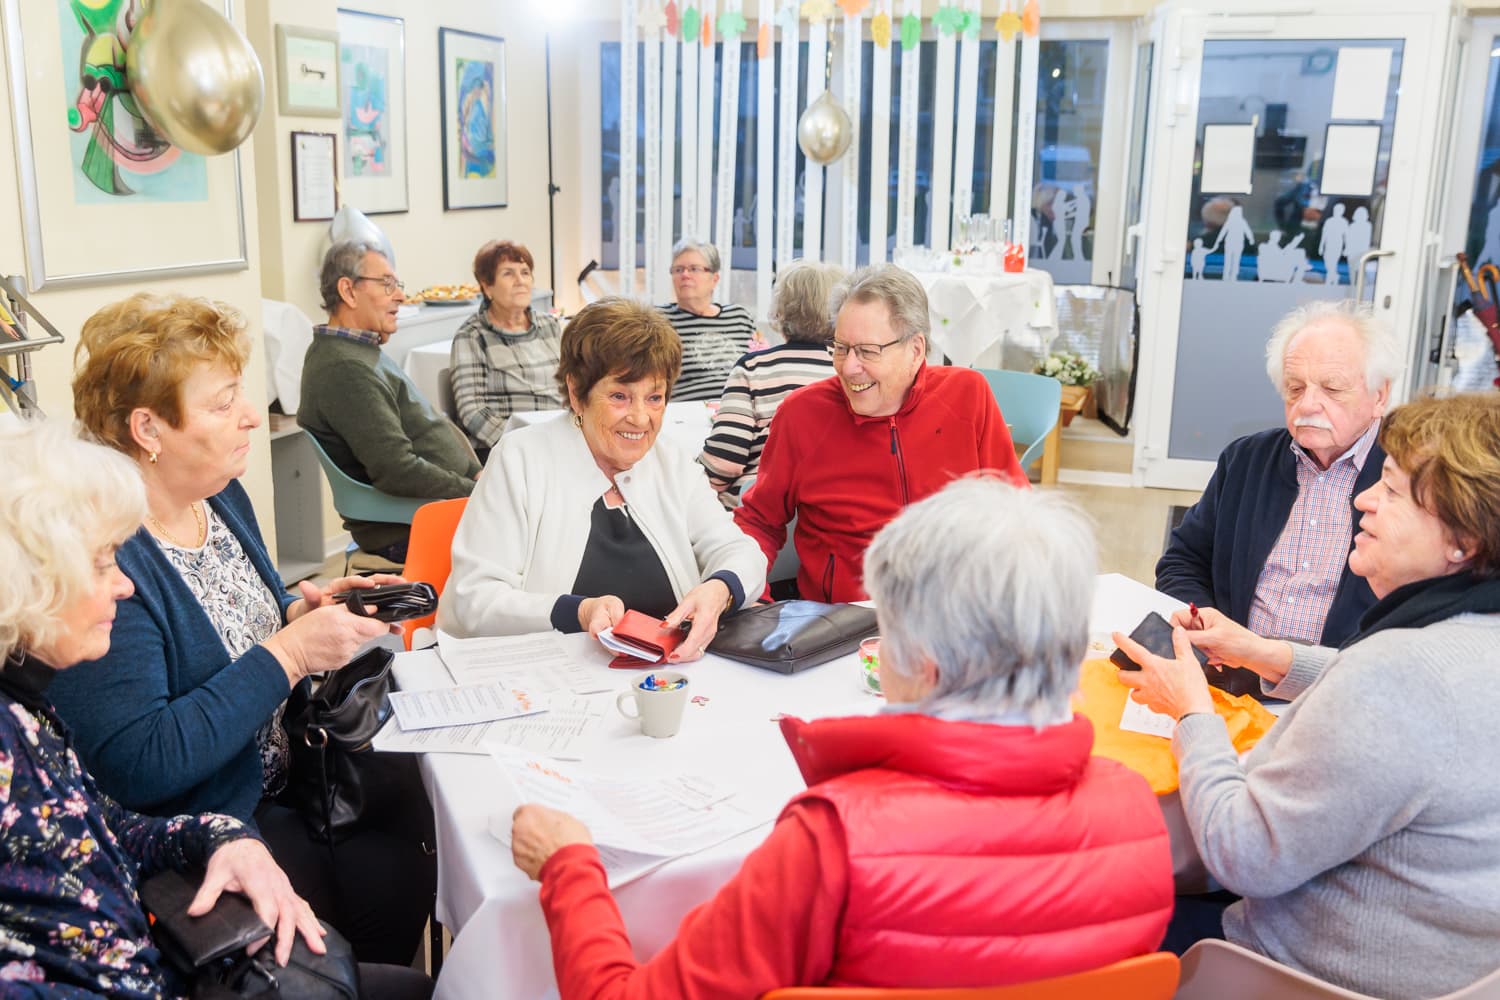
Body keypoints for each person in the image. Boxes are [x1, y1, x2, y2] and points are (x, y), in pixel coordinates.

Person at [510, 479, 1174, 999]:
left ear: (926, 664)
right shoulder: (1138, 813)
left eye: (889, 626)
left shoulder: (832, 840)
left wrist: (570, 864)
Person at [53, 293, 437, 967]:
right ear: (148, 429)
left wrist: (298, 609)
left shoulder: (219, 496)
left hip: (292, 777)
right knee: (381, 887)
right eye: (223, 402)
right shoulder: (107, 559)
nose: (251, 418)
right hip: (209, 829)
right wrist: (288, 654)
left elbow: (231, 621)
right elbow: (141, 763)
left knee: (418, 823)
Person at [0, 420, 431, 1000]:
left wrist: (223, 838)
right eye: (103, 562)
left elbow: (99, 825)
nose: (123, 585)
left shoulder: (26, 716)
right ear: (27, 583)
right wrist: (290, 655)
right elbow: (140, 768)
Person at [1119, 392, 1500, 999]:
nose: (1362, 499)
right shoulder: (1468, 638)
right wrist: (1263, 651)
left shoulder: (1397, 676)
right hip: (1445, 962)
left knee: (1087, 913)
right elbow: (1384, 689)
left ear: (1464, 541)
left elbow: (1239, 855)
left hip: (1292, 972)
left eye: (1394, 491)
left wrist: (1191, 710)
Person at [438, 297, 765, 660]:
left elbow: (741, 552)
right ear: (577, 393)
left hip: (667, 676)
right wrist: (578, 611)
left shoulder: (670, 463)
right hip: (543, 677)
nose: (641, 418)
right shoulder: (520, 460)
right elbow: (475, 599)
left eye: (655, 397)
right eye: (620, 397)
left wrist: (721, 589)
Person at [734, 264, 1026, 603]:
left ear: (916, 351)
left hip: (955, 613)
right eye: (841, 348)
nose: (848, 367)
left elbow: (1015, 507)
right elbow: (758, 521)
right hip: (843, 623)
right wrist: (751, 600)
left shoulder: (967, 393)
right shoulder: (801, 414)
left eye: (867, 352)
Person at [1156, 301, 1397, 695]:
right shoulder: (1246, 460)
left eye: (1332, 389)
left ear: (1379, 396)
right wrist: (1202, 619)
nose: (1307, 405)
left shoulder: (1407, 481)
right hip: (1229, 680)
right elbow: (1184, 559)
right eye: (1295, 388)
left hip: (1342, 693)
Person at [298, 238, 481, 563]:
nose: (400, 296)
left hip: (440, 511)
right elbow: (397, 469)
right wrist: (477, 492)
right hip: (411, 527)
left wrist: (475, 474)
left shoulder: (358, 352)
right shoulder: (345, 368)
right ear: (348, 291)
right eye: (387, 285)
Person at [699, 259, 842, 506]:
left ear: (781, 309)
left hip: (759, 509)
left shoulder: (753, 368)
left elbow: (724, 462)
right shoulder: (851, 370)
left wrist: (684, 482)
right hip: (831, 509)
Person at [449, 239, 565, 457]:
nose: (520, 281)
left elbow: (573, 386)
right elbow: (472, 413)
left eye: (525, 272)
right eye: (508, 274)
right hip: (507, 449)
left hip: (560, 439)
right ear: (487, 286)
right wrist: (526, 444)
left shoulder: (550, 326)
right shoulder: (472, 336)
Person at [658, 239, 756, 400]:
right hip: (684, 413)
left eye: (694, 269)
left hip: (739, 409)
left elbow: (758, 367)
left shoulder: (739, 316)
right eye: (678, 269)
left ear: (714, 278)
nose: (685, 275)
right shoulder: (660, 320)